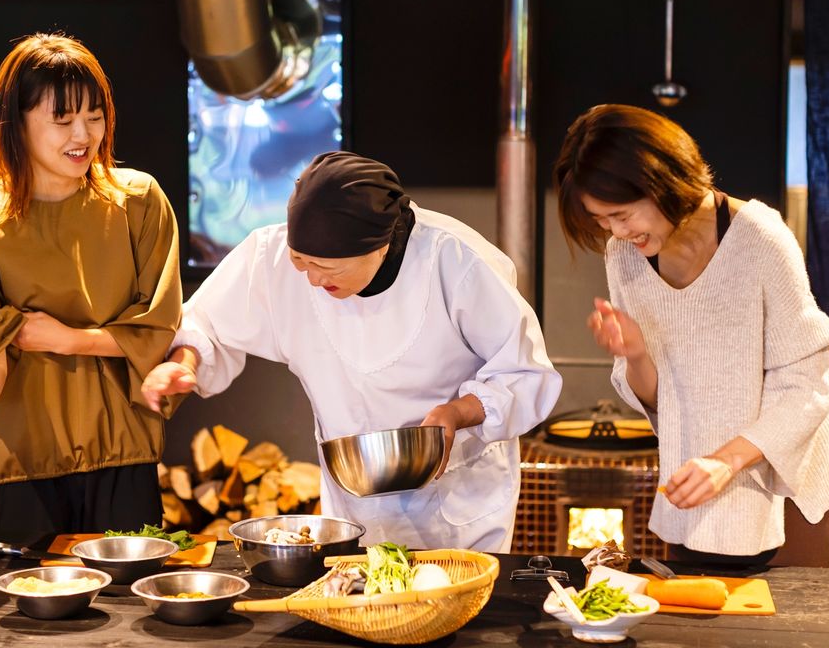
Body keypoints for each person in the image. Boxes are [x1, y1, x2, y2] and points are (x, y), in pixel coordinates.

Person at [141, 151, 561, 552]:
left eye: (328, 267)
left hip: (457, 499)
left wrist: (457, 413)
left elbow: (523, 374)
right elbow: (208, 323)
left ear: (379, 247)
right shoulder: (270, 258)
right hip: (351, 496)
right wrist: (184, 363)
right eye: (301, 261)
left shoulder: (455, 262)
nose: (311, 278)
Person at [553, 104, 829, 567]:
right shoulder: (625, 257)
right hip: (696, 495)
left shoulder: (758, 237)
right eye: (602, 221)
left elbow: (808, 389)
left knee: (789, 637)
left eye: (622, 214)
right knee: (697, 638)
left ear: (661, 181)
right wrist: (634, 355)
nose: (617, 232)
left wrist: (726, 462)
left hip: (784, 493)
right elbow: (659, 400)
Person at [0, 33, 182, 544]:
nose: (82, 134)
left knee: (128, 615)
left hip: (122, 455)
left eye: (94, 115)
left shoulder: (139, 203)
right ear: (15, 124)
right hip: (18, 465)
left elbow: (155, 328)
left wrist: (68, 339)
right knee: (24, 613)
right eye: (62, 121)